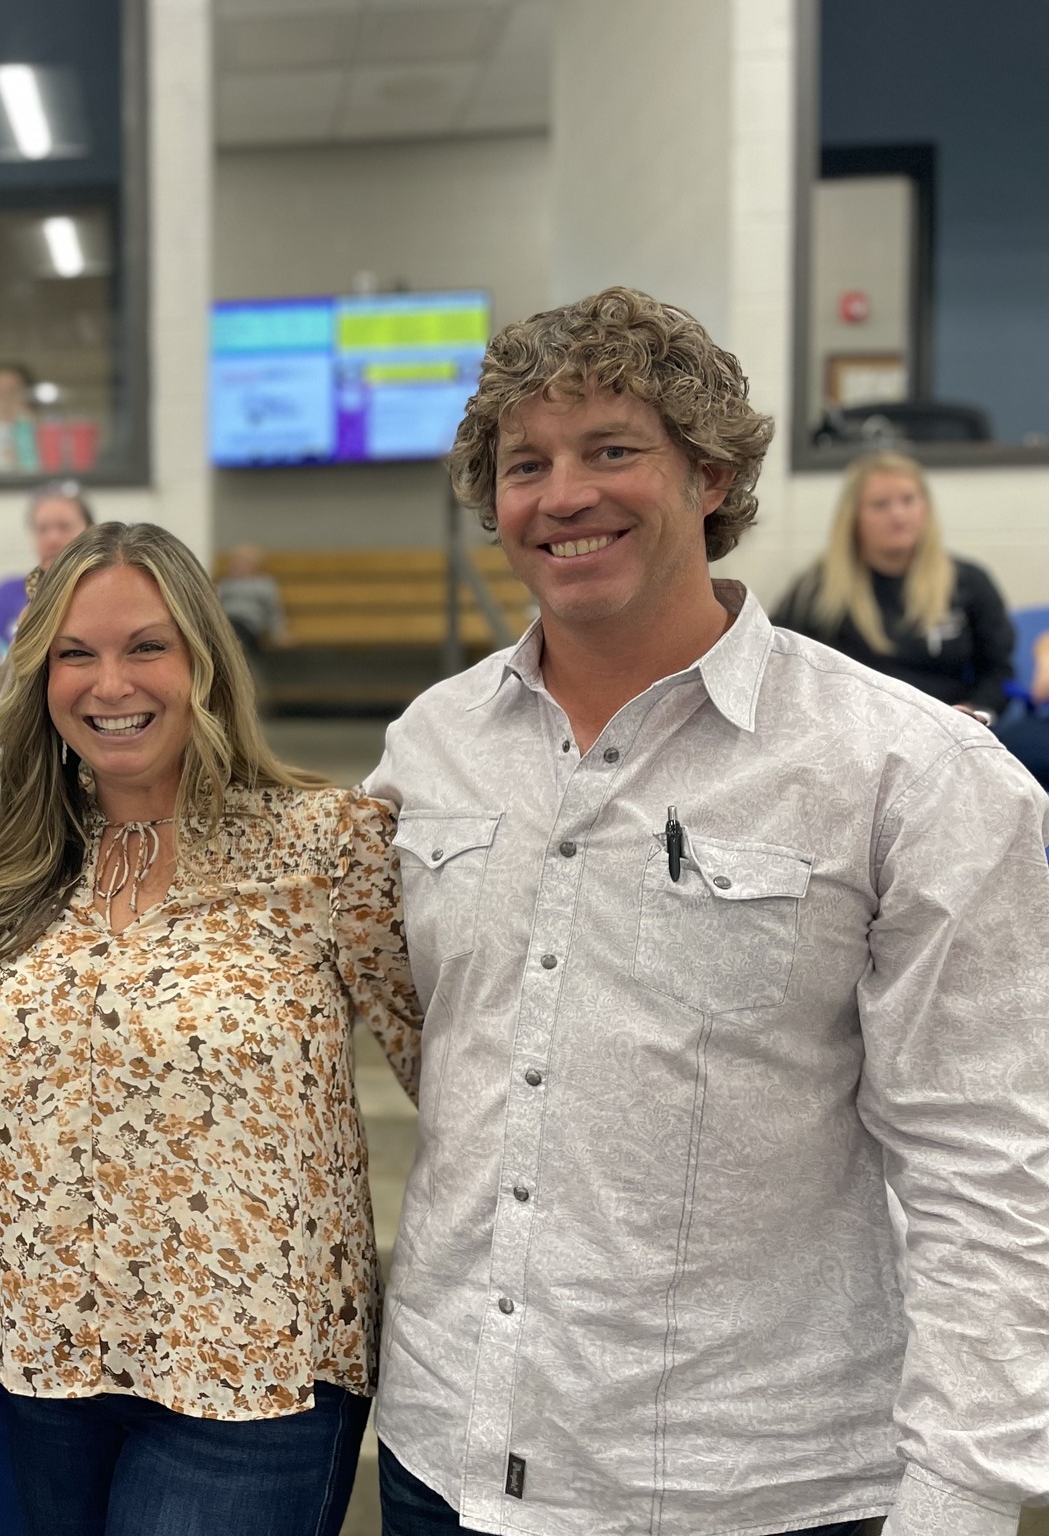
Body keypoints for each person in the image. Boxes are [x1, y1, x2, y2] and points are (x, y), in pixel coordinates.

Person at [364, 287, 1049, 1536]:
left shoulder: (905, 771)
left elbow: (989, 1165)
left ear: (712, 474)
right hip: (447, 1454)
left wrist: (959, 1493)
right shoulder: (430, 747)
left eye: (612, 449)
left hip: (754, 1486)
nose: (560, 494)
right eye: (526, 463)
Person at [0, 521, 423, 1536]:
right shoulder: (11, 855)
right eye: (75, 653)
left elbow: (460, 1082)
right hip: (53, 1371)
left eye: (144, 647)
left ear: (202, 660)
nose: (110, 683)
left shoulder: (321, 846)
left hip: (251, 1378)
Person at [772, 450, 1014, 713]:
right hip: (854, 732)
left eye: (908, 500)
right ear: (853, 518)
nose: (898, 515)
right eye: (880, 505)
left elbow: (998, 672)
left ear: (926, 507)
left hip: (949, 728)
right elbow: (778, 662)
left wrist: (976, 712)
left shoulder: (969, 582)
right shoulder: (818, 588)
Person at [0, 481, 94, 702]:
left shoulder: (104, 595)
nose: (52, 538)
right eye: (42, 529)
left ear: (90, 531)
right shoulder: (6, 594)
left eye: (64, 527)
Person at [215, 543, 287, 655]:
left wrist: (277, 632)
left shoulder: (263, 584)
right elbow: (217, 603)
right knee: (226, 629)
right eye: (236, 562)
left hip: (249, 624)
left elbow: (273, 610)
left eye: (244, 563)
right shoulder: (227, 583)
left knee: (237, 632)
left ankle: (237, 652)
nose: (238, 566)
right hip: (227, 620)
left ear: (256, 566)